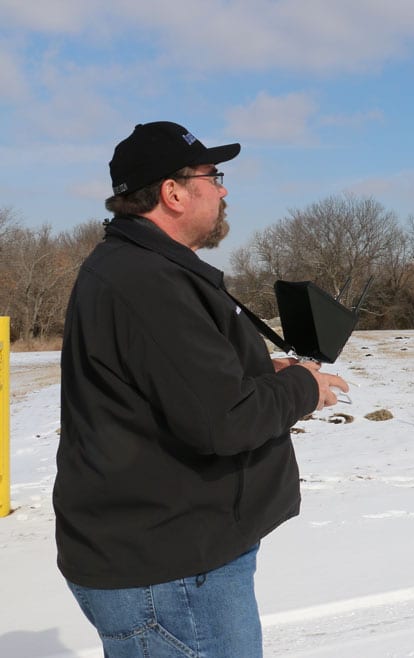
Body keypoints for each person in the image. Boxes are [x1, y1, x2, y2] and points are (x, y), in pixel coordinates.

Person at [54, 121, 349, 657]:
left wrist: (265, 372)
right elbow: (223, 420)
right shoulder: (146, 281)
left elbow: (179, 382)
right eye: (213, 176)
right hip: (171, 576)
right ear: (172, 192)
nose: (224, 188)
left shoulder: (140, 269)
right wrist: (304, 388)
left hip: (169, 561)